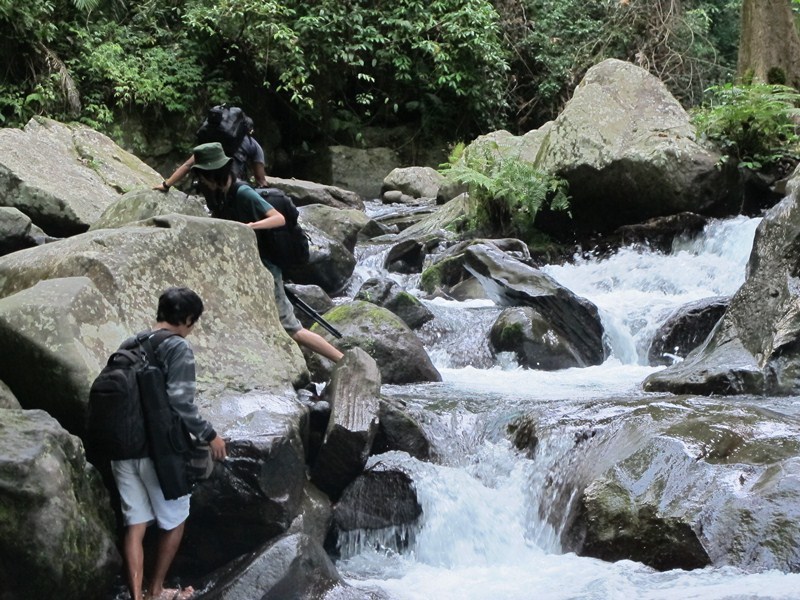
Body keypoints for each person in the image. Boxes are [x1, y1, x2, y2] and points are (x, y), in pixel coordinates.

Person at [111, 287, 227, 600]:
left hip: (122, 448)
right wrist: (210, 435)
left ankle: (136, 596)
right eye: (194, 321)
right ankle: (155, 591)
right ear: (188, 319)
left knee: (135, 524)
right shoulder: (178, 348)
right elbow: (181, 401)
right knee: (175, 520)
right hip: (159, 453)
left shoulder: (131, 343)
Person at [190, 141, 344, 363]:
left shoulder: (242, 192)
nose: (200, 182)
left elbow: (277, 218)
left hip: (267, 268)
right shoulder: (222, 195)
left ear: (212, 174)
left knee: (292, 328)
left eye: (202, 177)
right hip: (251, 268)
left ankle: (342, 360)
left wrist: (249, 227)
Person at [154, 116, 267, 192]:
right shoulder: (253, 144)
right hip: (231, 186)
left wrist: (166, 185)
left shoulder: (215, 140)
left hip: (208, 184)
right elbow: (261, 180)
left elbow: (188, 165)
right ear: (249, 130)